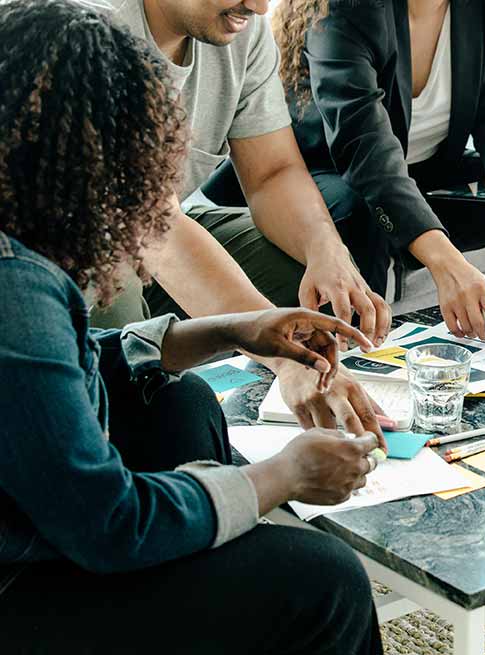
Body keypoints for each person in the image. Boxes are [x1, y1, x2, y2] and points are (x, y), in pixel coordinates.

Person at [0, 3, 384, 652]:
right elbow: (109, 522)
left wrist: (229, 330)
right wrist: (280, 477)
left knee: (177, 399)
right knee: (325, 577)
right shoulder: (16, 289)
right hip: (18, 587)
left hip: (36, 529)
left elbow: (53, 372)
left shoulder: (24, 259)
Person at [97, 0, 392, 437]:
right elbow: (151, 224)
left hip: (157, 232)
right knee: (133, 368)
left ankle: (263, 430)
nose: (259, 6)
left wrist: (324, 249)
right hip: (64, 258)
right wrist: (283, 356)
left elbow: (272, 173)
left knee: (308, 296)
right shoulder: (92, 27)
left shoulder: (238, 29)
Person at [221, 0, 485, 344]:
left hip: (427, 173)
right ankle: (362, 367)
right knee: (360, 210)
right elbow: (364, 145)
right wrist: (444, 260)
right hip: (333, 174)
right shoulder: (345, 6)